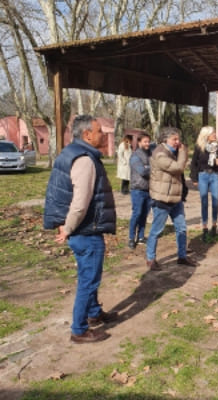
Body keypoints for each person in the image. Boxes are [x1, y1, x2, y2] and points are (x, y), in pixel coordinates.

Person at [43, 115, 118, 344]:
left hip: (81, 230)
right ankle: (79, 329)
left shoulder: (70, 152)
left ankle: (94, 312)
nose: (103, 135)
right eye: (99, 131)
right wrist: (67, 228)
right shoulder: (85, 160)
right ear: (87, 135)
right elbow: (80, 202)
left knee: (89, 275)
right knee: (89, 280)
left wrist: (64, 225)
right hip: (86, 231)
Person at [146, 127, 197, 270]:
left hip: (175, 198)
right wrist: (183, 152)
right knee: (156, 230)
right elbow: (178, 168)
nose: (178, 142)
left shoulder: (173, 152)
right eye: (174, 139)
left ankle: (182, 256)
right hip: (162, 199)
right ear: (165, 139)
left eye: (178, 139)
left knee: (181, 228)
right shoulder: (160, 154)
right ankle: (150, 259)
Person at [190, 126, 218, 242]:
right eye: (212, 133)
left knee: (215, 201)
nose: (214, 134)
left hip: (214, 175)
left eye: (214, 132)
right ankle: (204, 227)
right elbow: (194, 163)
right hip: (203, 175)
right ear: (206, 135)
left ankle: (214, 226)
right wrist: (194, 178)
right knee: (204, 202)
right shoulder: (199, 147)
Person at [128, 132, 152, 249]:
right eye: (145, 141)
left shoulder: (149, 154)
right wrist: (152, 168)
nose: (147, 144)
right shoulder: (135, 156)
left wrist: (148, 167)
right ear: (139, 142)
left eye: (148, 141)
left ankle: (141, 236)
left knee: (144, 214)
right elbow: (142, 171)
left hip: (148, 189)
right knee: (136, 213)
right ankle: (131, 238)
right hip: (137, 189)